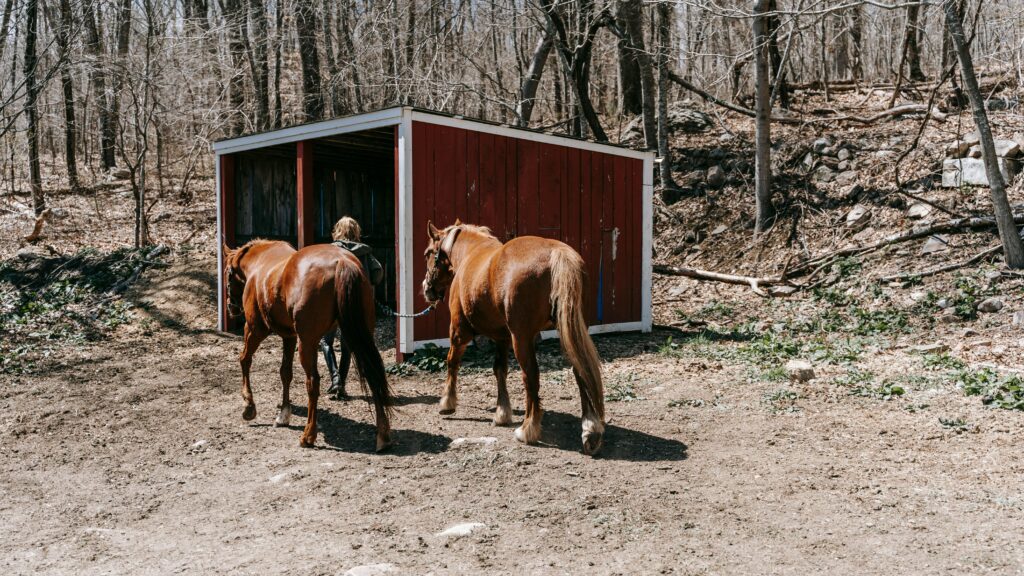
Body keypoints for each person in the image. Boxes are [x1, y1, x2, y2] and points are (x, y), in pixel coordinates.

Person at [320, 216, 384, 399]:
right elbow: (378, 271)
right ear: (356, 232)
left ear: (337, 230)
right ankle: (342, 381)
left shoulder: (330, 251)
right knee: (348, 343)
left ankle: (335, 379)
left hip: (332, 303)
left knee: (327, 341)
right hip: (355, 305)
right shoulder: (364, 252)